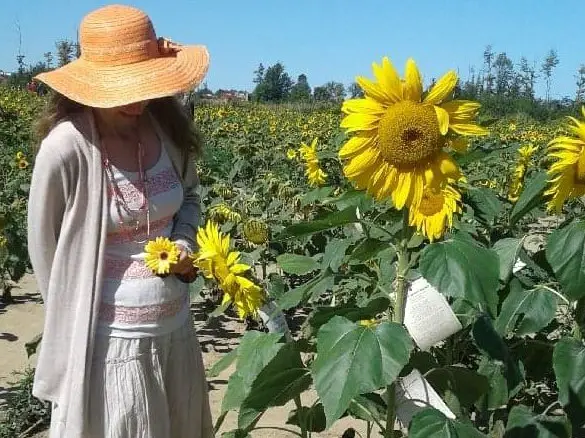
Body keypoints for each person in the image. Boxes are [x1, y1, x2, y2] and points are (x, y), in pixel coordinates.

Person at [28, 4, 214, 438]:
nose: (140, 98)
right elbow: (45, 246)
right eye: (127, 87)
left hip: (176, 334)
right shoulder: (66, 148)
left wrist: (184, 241)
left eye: (147, 83)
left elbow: (189, 197)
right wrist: (72, 321)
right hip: (110, 347)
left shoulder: (168, 130)